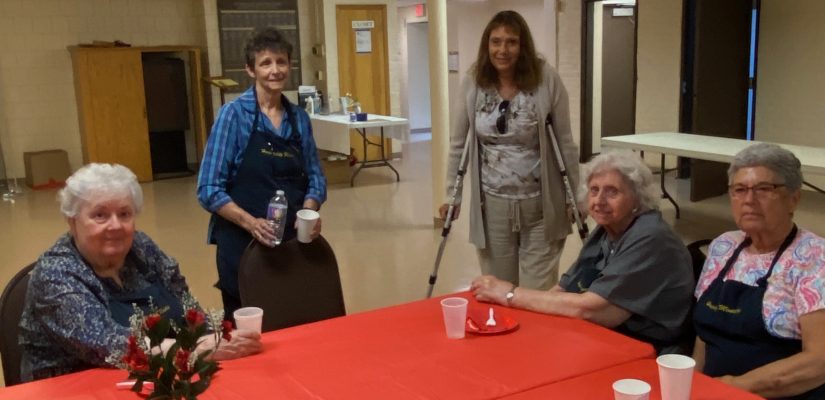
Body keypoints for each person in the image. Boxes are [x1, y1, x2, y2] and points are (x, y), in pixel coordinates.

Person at [18, 163, 262, 382]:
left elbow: (189, 310)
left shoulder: (141, 247)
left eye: (124, 214)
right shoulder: (55, 273)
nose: (115, 225)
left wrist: (221, 335)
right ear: (72, 221)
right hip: (71, 388)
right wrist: (197, 348)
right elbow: (110, 345)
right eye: (99, 215)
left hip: (157, 378)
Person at [472, 150, 695, 354]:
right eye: (594, 190)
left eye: (612, 192)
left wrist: (510, 294)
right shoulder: (607, 231)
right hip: (613, 336)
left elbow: (592, 309)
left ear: (637, 198)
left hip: (654, 348)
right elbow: (563, 289)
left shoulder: (650, 237)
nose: (599, 201)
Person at [440, 10, 580, 290]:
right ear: (487, 45)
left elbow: (564, 141)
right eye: (496, 41)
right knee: (499, 289)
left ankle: (537, 336)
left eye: (511, 42)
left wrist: (574, 196)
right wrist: (450, 195)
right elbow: (459, 144)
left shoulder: (545, 80)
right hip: (492, 206)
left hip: (542, 205)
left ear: (523, 46)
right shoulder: (473, 82)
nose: (502, 49)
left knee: (536, 292)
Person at [197, 28, 326, 318]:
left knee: (293, 319)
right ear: (250, 69)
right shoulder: (233, 116)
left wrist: (309, 212)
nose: (275, 70)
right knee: (250, 328)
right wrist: (252, 223)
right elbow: (208, 189)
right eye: (265, 63)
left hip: (291, 247)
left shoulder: (299, 119)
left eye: (281, 62)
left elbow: (316, 178)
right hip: (243, 245)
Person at [692, 143, 825, 399]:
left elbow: (819, 361)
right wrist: (693, 386)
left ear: (794, 198)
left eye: (764, 189)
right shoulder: (724, 246)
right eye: (739, 190)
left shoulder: (814, 257)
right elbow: (704, 336)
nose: (749, 200)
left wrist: (734, 387)